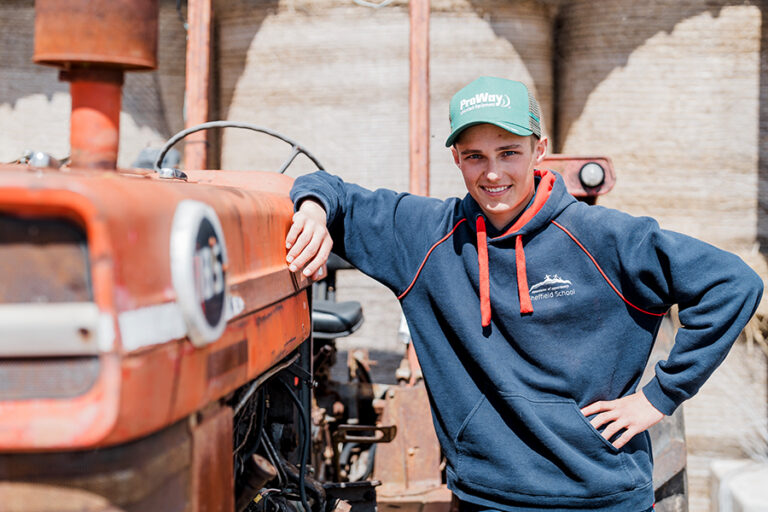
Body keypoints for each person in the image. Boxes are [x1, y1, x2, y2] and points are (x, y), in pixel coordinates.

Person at [284, 76, 763, 511]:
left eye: (509, 152)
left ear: (540, 150)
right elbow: (333, 189)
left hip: (599, 497)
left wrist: (659, 397)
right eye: (475, 156)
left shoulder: (606, 238)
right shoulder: (425, 236)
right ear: (456, 158)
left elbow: (733, 283)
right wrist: (311, 208)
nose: (492, 173)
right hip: (484, 497)